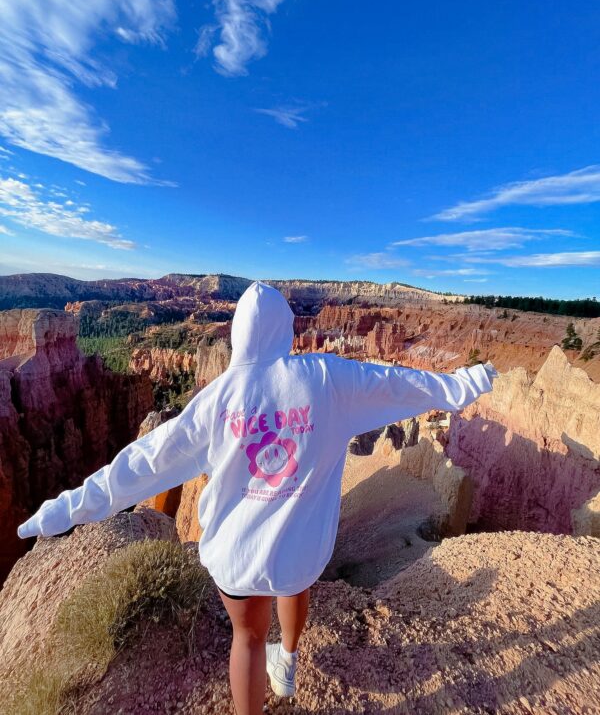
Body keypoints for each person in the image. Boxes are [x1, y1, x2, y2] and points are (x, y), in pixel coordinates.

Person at [17, 280, 498, 715]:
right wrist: (465, 384)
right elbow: (400, 383)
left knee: (246, 638)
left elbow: (143, 463)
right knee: (292, 586)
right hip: (301, 549)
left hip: (238, 556)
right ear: (287, 329)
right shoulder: (328, 378)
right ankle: (286, 662)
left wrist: (65, 509)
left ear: (237, 336)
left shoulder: (217, 400)